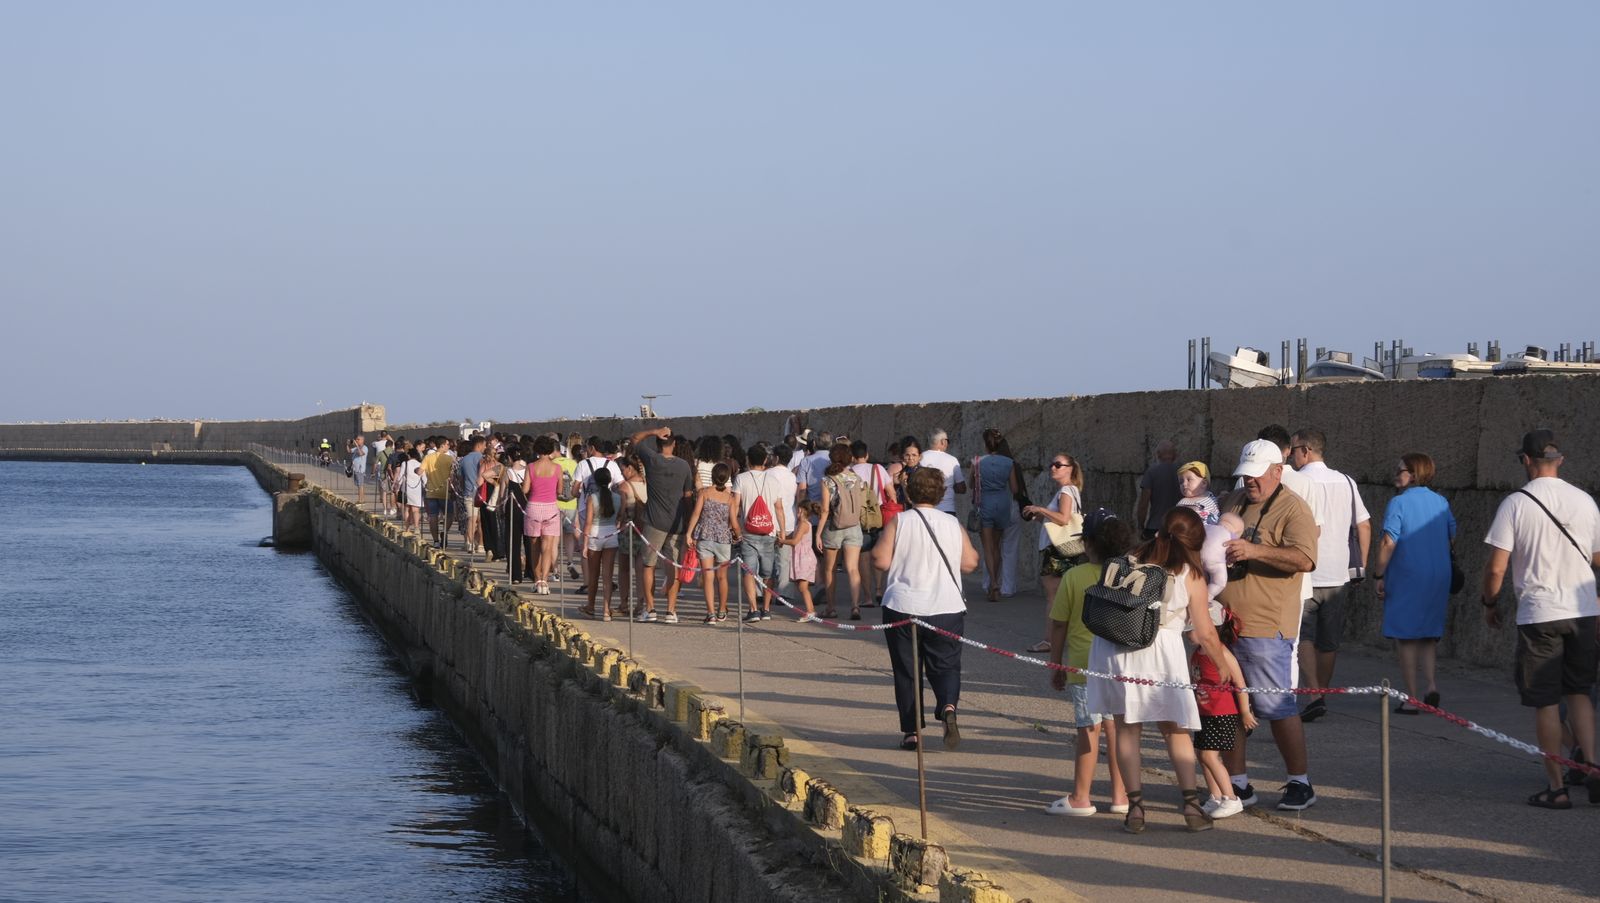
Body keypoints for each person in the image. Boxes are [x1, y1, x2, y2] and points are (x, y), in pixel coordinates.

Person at [1088, 507, 1238, 833]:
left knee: (1127, 729)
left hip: (1116, 648)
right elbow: (1206, 632)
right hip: (1160, 652)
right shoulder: (1189, 574)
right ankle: (1192, 807)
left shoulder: (1130, 557)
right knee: (1175, 729)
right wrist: (1222, 665)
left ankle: (1136, 810)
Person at [1482, 429, 1600, 809]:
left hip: (1540, 612)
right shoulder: (1585, 501)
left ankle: (1557, 787)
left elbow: (1496, 569)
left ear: (1526, 460)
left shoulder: (1516, 504)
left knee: (1546, 701)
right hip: (1583, 610)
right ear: (1559, 460)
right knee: (1580, 692)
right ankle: (1592, 768)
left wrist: (1489, 602)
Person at [1217, 439, 1320, 811]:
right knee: (1228, 706)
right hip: (1225, 625)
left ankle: (1300, 782)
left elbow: (1305, 558)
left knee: (1276, 706)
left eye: (1256, 475)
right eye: (1245, 475)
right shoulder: (1234, 499)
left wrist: (1254, 550)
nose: (1249, 481)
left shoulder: (1294, 508)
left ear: (1278, 471)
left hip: (1266, 625)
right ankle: (1238, 782)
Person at [872, 467, 979, 752]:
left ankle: (912, 732)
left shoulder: (900, 521)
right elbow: (970, 563)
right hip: (946, 607)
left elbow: (880, 560)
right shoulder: (952, 523)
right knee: (946, 665)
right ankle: (947, 706)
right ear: (941, 494)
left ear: (909, 493)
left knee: (907, 670)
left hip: (903, 606)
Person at [1046, 508, 1132, 817]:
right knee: (1117, 730)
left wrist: (1056, 663)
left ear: (1089, 543)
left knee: (1088, 730)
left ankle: (1081, 797)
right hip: (1120, 665)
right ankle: (1121, 796)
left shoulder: (1074, 576)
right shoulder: (1129, 574)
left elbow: (1059, 624)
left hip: (1083, 665)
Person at [1288, 428, 1371, 722]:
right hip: (1339, 573)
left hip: (1307, 571)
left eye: (1294, 449)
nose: (1291, 455)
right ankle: (1321, 694)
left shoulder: (1297, 482)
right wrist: (1361, 565)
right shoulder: (1346, 481)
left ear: (1306, 450)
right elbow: (1364, 525)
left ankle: (1313, 695)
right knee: (1329, 640)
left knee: (1304, 636)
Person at [1374, 453, 1455, 714]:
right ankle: (1431, 686)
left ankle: (1411, 697)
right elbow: (1451, 535)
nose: (1396, 474)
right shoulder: (1441, 501)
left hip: (1407, 574)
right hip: (1439, 574)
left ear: (1414, 474)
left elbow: (1388, 541)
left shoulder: (1399, 502)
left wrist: (1378, 574)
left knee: (1406, 637)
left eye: (1401, 470)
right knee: (1428, 636)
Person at [1193, 603, 1256, 819]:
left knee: (1209, 756)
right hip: (1205, 712)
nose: (1188, 632)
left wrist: (1245, 712)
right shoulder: (1197, 652)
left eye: (1192, 627)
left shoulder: (1221, 652)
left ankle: (1231, 798)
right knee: (1202, 755)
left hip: (1222, 714)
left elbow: (1240, 683)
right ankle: (1216, 796)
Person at [631, 426, 697, 624]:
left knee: (648, 565)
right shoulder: (684, 466)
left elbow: (634, 439)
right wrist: (688, 524)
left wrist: (654, 431)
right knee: (673, 567)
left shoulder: (652, 460)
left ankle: (650, 609)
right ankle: (671, 610)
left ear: (658, 443)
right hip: (677, 523)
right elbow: (688, 497)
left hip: (654, 522)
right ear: (674, 444)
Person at [1021, 453, 1084, 654]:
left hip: (1056, 550)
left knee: (1053, 597)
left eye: (1058, 464)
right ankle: (1061, 638)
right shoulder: (1071, 490)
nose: (1053, 468)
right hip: (1065, 548)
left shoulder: (1066, 490)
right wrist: (1037, 515)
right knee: (1061, 596)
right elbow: (1058, 520)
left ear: (1070, 468)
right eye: (1052, 464)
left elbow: (1063, 519)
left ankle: (1049, 641)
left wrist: (1040, 509)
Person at [735, 442, 788, 621]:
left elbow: (735, 506)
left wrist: (736, 528)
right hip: (769, 532)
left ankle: (753, 609)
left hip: (748, 532)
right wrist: (782, 531)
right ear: (765, 460)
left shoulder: (741, 479)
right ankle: (766, 609)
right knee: (768, 573)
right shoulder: (773, 480)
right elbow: (779, 508)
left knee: (748, 572)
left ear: (748, 460)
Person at [816, 444, 867, 620]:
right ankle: (855, 606)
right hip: (854, 525)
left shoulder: (827, 480)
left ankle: (831, 608)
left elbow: (825, 510)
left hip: (834, 527)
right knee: (853, 568)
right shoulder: (856, 478)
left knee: (830, 569)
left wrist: (818, 533)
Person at [686, 462, 740, 623]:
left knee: (708, 577)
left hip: (705, 536)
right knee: (722, 577)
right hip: (723, 539)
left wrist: (689, 533)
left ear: (712, 477)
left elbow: (696, 514)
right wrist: (738, 536)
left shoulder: (704, 493)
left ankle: (710, 613)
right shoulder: (730, 498)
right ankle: (722, 610)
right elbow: (734, 522)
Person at [972, 428, 1020, 604]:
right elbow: (1014, 489)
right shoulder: (1009, 462)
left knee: (988, 548)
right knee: (997, 547)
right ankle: (996, 583)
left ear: (985, 444)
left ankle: (993, 583)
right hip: (1003, 505)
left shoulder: (977, 462)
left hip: (985, 504)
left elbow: (971, 484)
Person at [849, 440, 893, 607]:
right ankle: (879, 590)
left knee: (864, 558)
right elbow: (891, 492)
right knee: (878, 554)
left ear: (852, 457)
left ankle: (867, 597)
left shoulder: (850, 472)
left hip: (859, 518)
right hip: (878, 516)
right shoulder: (878, 468)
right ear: (866, 455)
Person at [579, 457, 622, 621]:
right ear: (610, 481)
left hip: (595, 536)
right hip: (611, 535)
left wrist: (584, 544)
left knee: (594, 574)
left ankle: (590, 606)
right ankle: (606, 610)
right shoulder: (618, 498)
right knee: (608, 576)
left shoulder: (592, 498)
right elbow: (620, 517)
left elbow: (588, 523)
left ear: (595, 482)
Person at [523, 436, 564, 595]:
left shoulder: (531, 467)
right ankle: (545, 581)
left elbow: (525, 489)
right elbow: (560, 490)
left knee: (534, 547)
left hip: (533, 507)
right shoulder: (557, 468)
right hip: (551, 508)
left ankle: (537, 579)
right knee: (547, 547)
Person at [615, 453, 649, 616]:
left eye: (623, 470)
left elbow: (622, 511)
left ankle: (624, 603)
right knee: (641, 569)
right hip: (645, 531)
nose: (622, 473)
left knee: (624, 569)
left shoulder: (625, 486)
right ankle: (641, 603)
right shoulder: (648, 483)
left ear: (629, 468)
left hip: (628, 530)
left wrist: (618, 521)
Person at [1135, 439, 1181, 540]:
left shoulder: (1151, 472)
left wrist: (1140, 526)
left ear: (1158, 454)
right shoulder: (1183, 472)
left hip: (1155, 526)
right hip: (1178, 527)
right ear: (1175, 455)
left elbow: (1143, 504)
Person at [918, 429, 967, 515]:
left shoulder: (919, 458)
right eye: (947, 441)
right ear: (943, 442)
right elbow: (962, 488)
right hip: (947, 508)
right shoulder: (952, 460)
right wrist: (949, 486)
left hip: (924, 509)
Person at [784, 499, 820, 616]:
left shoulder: (804, 525)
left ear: (801, 510)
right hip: (800, 557)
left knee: (803, 587)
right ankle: (810, 610)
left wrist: (782, 541)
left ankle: (810, 611)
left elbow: (795, 541)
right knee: (800, 586)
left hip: (804, 558)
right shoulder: (800, 524)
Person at [456, 435, 486, 554]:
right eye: (484, 445)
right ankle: (481, 545)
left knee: (471, 519)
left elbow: (461, 478)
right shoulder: (483, 458)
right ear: (479, 445)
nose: (485, 447)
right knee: (481, 520)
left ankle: (470, 543)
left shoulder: (464, 460)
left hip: (468, 492)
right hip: (482, 493)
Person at [1175, 460, 1218, 525]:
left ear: (1203, 483)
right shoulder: (1183, 503)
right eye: (1181, 482)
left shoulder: (1210, 496)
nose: (1184, 484)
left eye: (1189, 480)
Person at [799, 431, 834, 502]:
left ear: (814, 443)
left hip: (812, 504)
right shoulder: (834, 460)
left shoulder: (806, 461)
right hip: (831, 504)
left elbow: (802, 489)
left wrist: (800, 505)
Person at [348, 434, 369, 505]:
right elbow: (349, 451)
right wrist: (347, 444)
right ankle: (361, 500)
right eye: (356, 439)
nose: (356, 440)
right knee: (358, 485)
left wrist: (357, 445)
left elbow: (361, 454)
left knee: (360, 485)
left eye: (358, 439)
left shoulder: (365, 448)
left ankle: (361, 500)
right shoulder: (356, 448)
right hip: (355, 469)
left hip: (360, 469)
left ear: (362, 440)